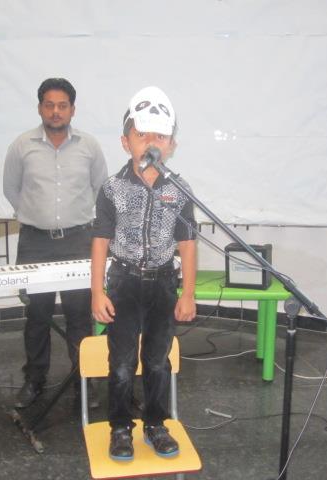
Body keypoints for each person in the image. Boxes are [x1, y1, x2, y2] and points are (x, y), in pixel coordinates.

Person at [90, 86, 197, 460]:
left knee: (157, 361)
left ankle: (155, 424)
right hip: (124, 283)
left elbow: (187, 243)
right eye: (142, 135)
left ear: (172, 145)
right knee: (121, 364)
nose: (152, 142)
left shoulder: (180, 190)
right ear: (126, 142)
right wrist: (97, 292)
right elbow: (100, 240)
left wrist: (187, 293)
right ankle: (120, 428)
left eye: (160, 136)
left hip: (163, 284)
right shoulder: (112, 188)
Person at [3, 78, 108, 408]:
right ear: (40, 108)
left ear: (72, 110)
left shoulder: (89, 147)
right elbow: (11, 189)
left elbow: (101, 190)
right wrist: (38, 217)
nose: (55, 111)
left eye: (62, 105)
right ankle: (34, 380)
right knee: (38, 316)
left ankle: (83, 382)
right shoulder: (22, 146)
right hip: (35, 243)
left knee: (79, 316)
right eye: (49, 105)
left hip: (79, 241)